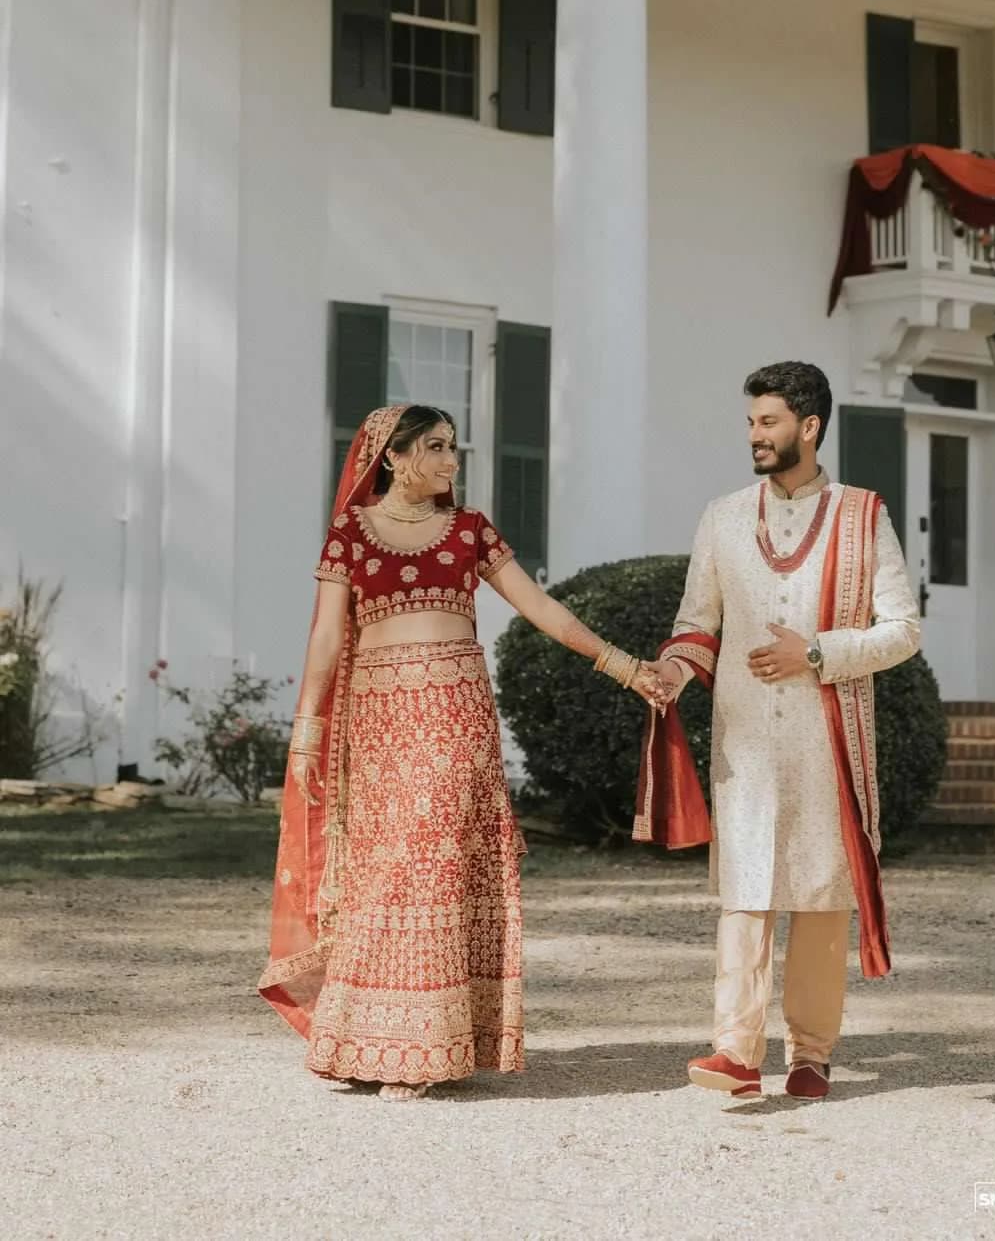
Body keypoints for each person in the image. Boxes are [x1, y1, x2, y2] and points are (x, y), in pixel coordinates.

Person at [259, 403, 665, 1100]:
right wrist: (306, 730)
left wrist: (625, 667)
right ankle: (366, 1037)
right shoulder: (349, 535)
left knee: (432, 867)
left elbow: (541, 609)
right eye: (437, 447)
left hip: (454, 715)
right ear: (392, 456)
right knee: (383, 873)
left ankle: (422, 1046)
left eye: (453, 447)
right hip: (380, 720)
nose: (451, 460)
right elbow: (327, 638)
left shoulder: (471, 531)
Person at [634, 362, 919, 1101]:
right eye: (751, 423)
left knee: (820, 897)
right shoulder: (723, 516)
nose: (754, 436)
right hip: (745, 740)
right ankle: (735, 1051)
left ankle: (811, 1054)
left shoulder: (862, 514)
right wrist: (672, 669)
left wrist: (817, 651)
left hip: (828, 740)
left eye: (768, 423)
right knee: (747, 890)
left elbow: (904, 631)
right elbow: (696, 622)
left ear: (810, 426)